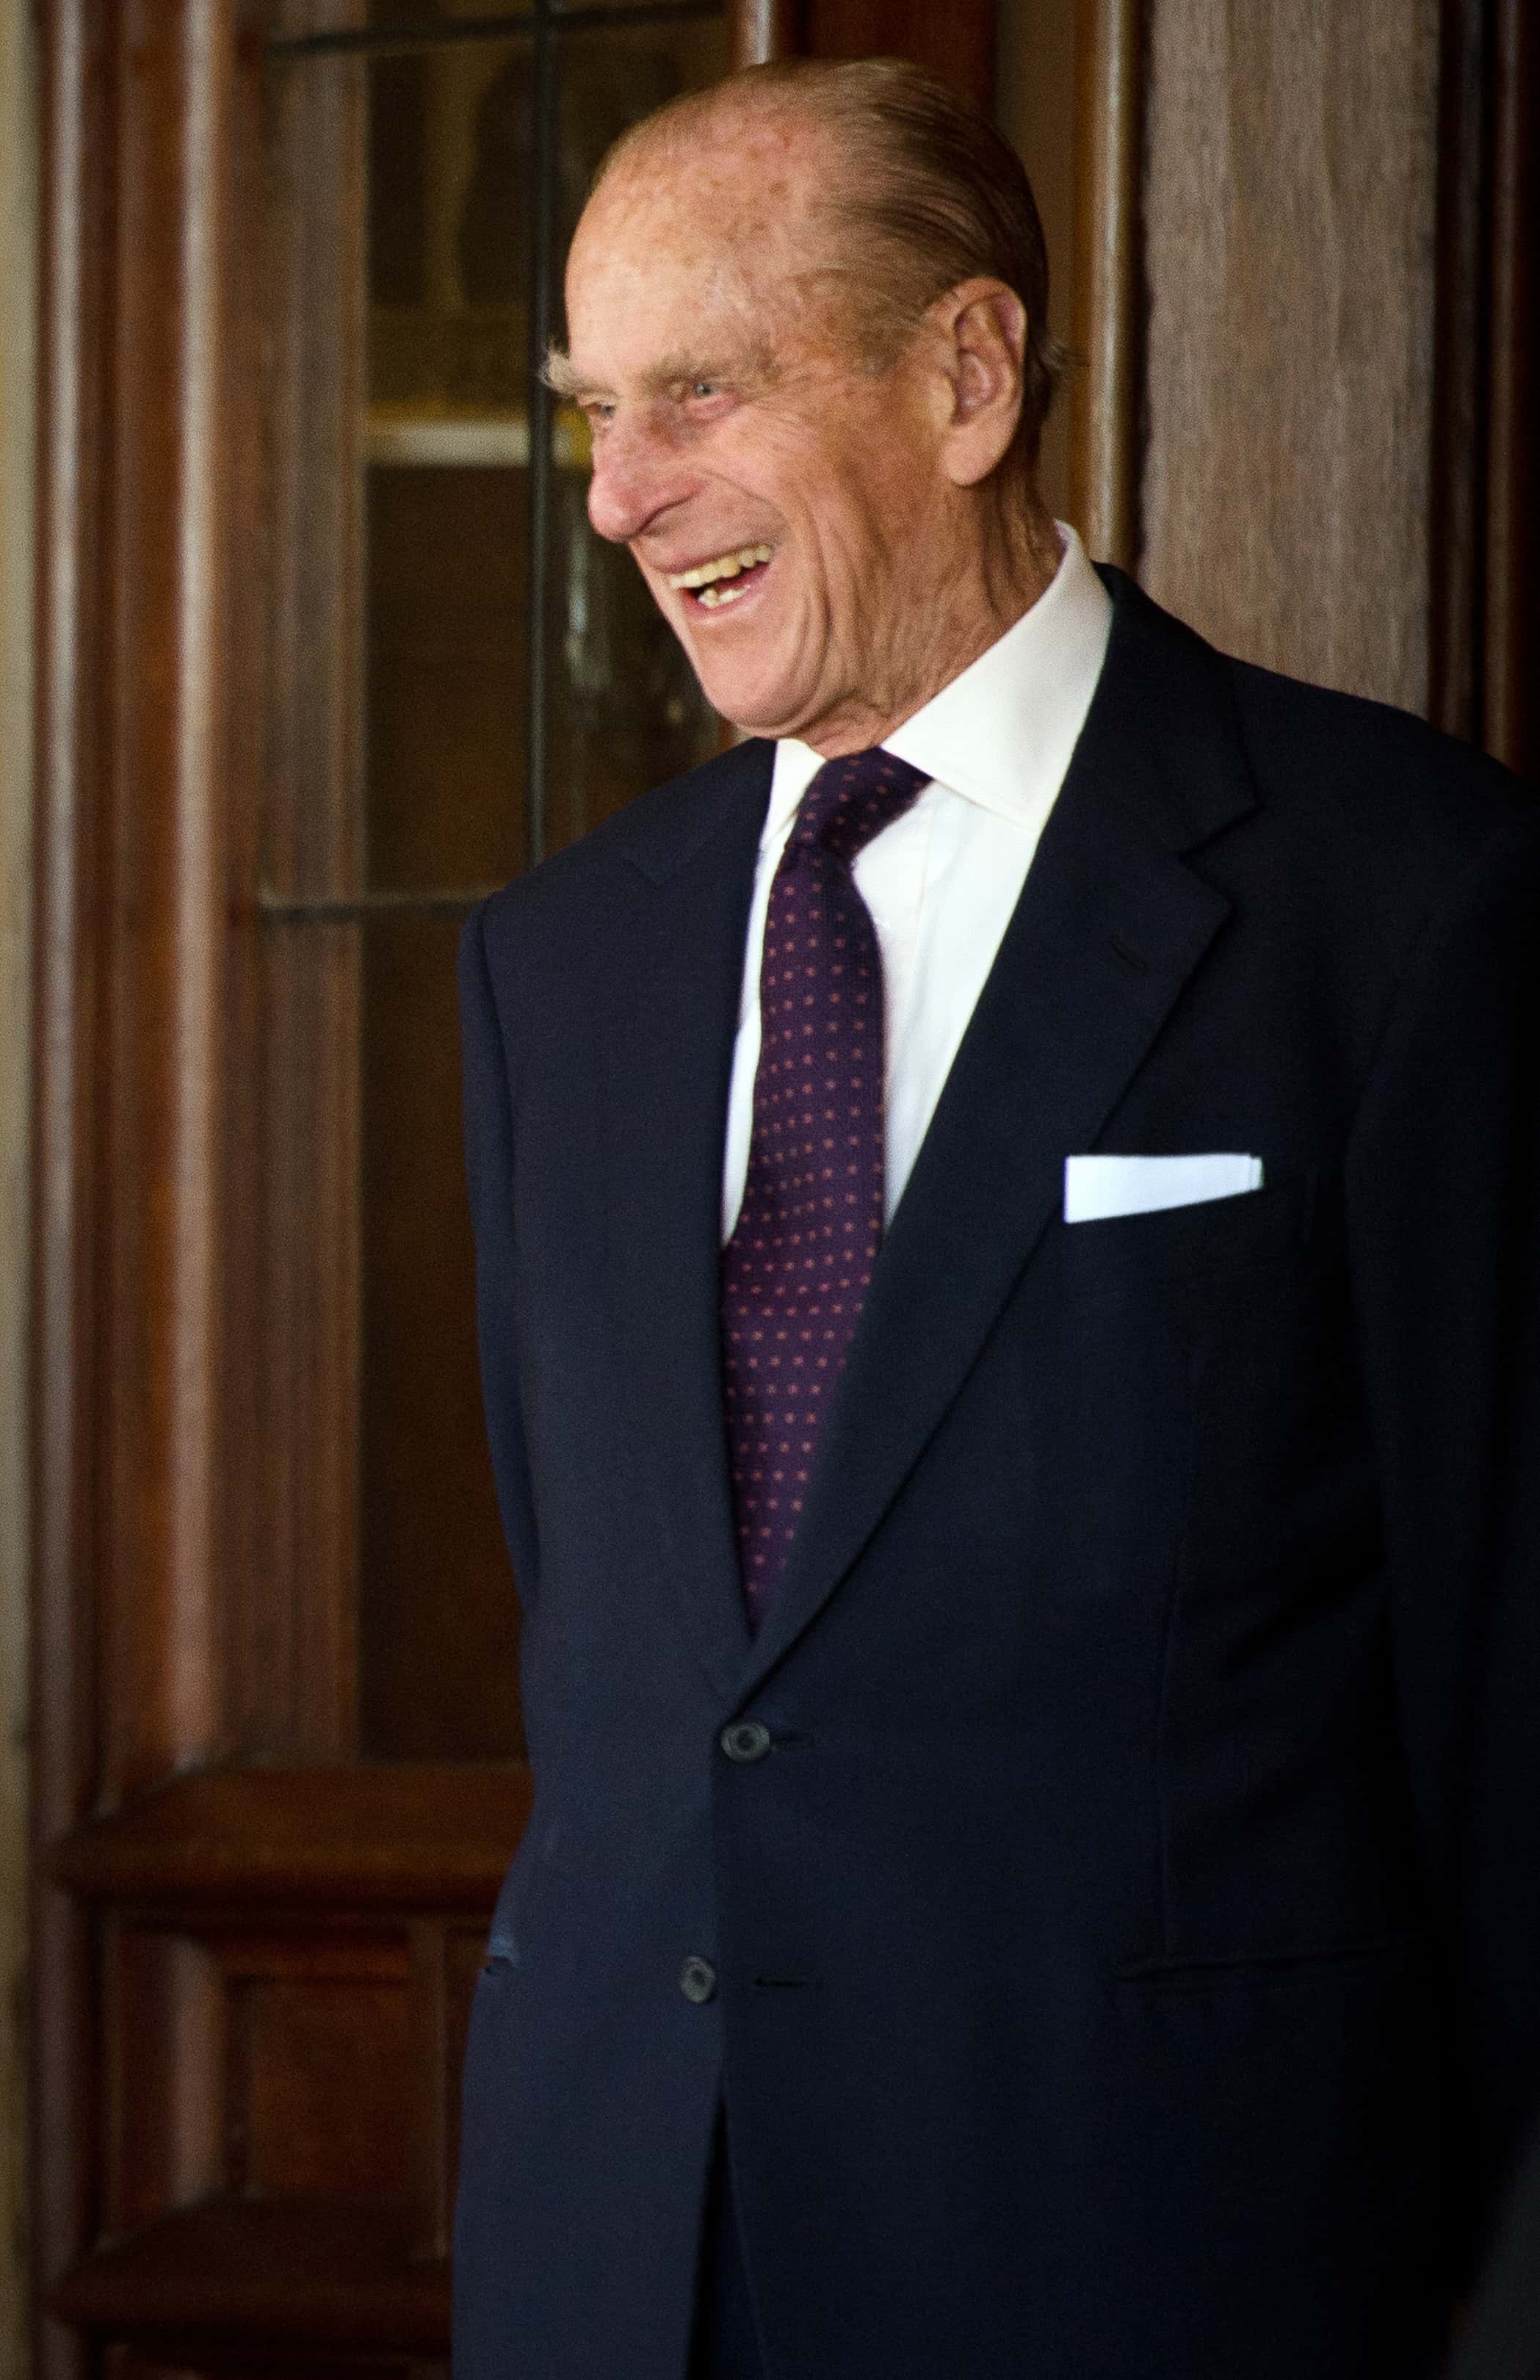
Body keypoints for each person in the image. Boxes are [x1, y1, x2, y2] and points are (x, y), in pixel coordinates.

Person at [453, 57, 1538, 2380]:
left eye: (698, 395)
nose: (624, 497)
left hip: (1169, 2266)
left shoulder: (1405, 897)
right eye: (589, 417)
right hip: (623, 2258)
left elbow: (1513, 1711)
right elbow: (637, 1660)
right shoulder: (556, 965)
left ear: (967, 374)